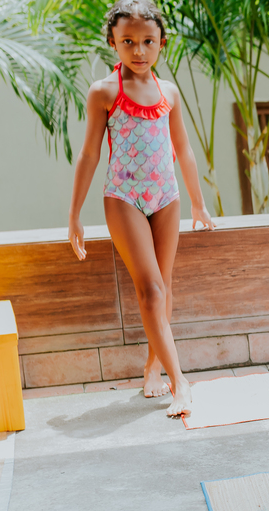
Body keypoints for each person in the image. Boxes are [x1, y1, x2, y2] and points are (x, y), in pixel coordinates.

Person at [67, 0, 214, 417]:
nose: (138, 50)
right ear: (112, 43)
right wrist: (74, 214)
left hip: (166, 197)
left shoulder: (169, 93)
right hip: (124, 198)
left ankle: (153, 367)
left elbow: (184, 150)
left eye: (148, 41)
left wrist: (198, 204)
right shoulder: (104, 92)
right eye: (128, 41)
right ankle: (180, 383)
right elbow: (89, 154)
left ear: (161, 43)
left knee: (163, 288)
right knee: (150, 289)